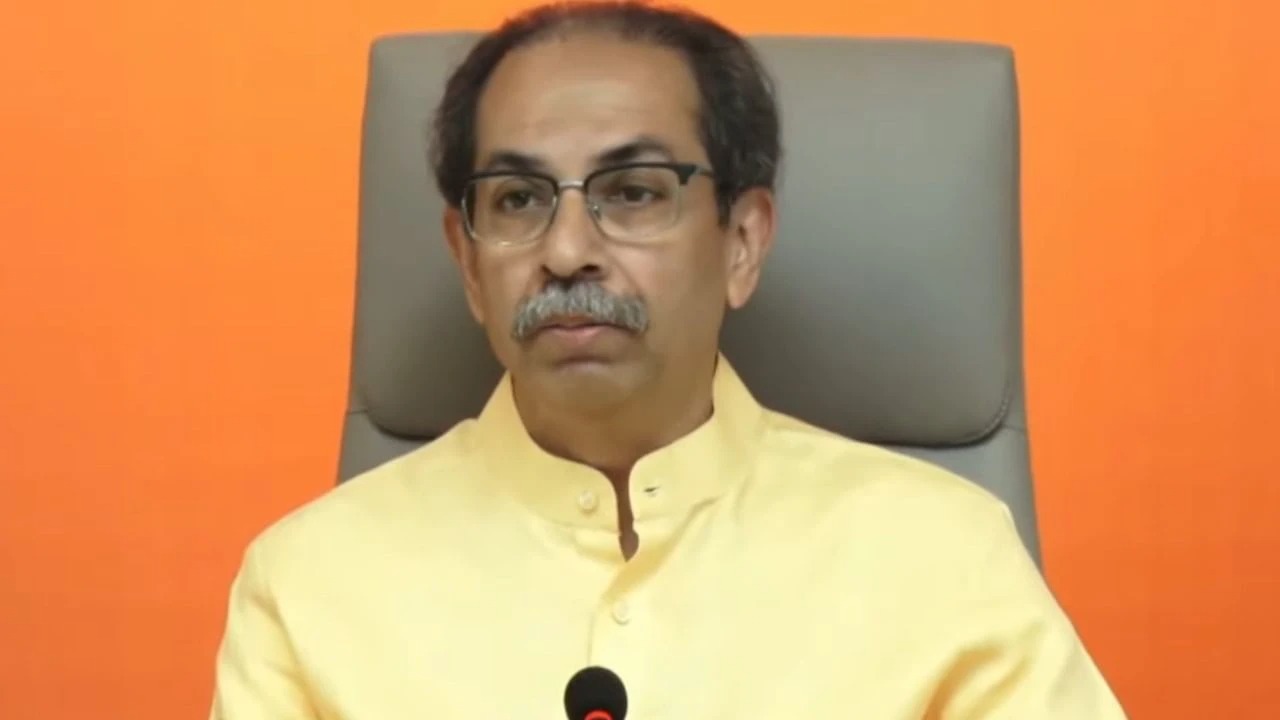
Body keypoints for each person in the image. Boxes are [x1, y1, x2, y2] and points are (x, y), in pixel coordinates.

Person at [208, 2, 1128, 718]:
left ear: (742, 242)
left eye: (634, 192)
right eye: (519, 198)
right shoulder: (310, 583)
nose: (568, 249)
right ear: (469, 262)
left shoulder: (939, 555)